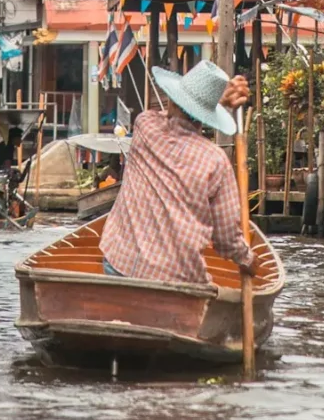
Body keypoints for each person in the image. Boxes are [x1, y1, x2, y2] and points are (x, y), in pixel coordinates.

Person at [101, 57, 253, 286]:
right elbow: (226, 239)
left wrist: (214, 101)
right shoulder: (216, 161)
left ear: (172, 102)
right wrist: (248, 260)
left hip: (118, 263)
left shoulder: (145, 126)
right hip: (177, 278)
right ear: (207, 119)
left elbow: (170, 115)